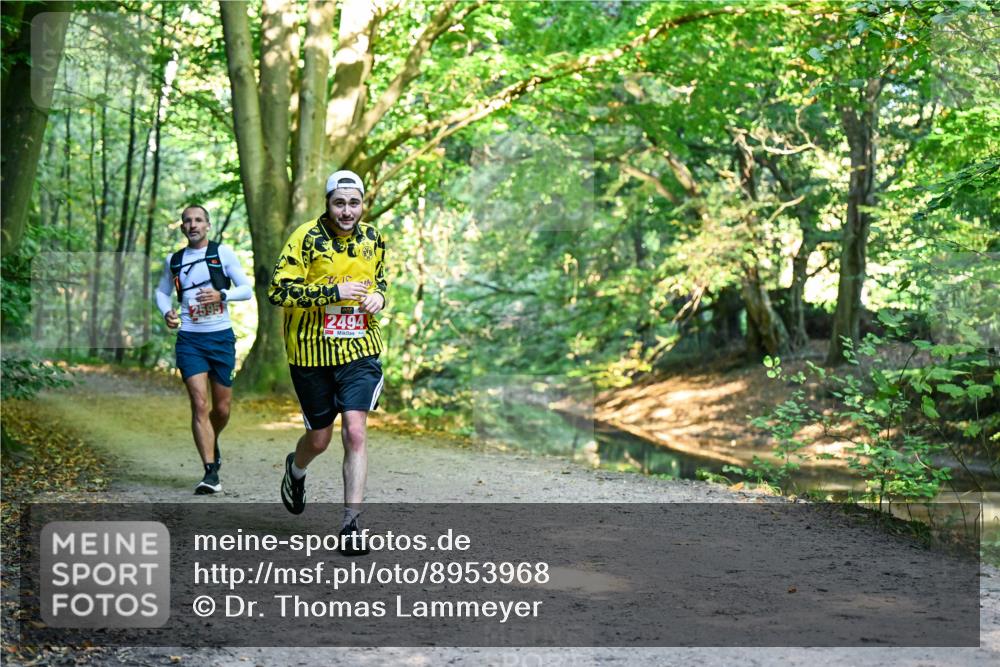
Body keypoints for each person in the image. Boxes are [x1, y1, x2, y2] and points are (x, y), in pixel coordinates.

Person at [268, 170, 387, 556]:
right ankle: (296, 469)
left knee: (355, 431)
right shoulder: (305, 238)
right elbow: (278, 291)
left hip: (359, 349)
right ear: (328, 204)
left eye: (354, 203)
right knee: (319, 439)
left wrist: (379, 298)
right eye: (339, 203)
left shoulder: (373, 239)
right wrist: (333, 292)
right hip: (310, 353)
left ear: (363, 204)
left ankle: (351, 524)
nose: (347, 211)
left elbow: (380, 281)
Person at [155, 205, 252, 494]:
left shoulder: (222, 253)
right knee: (199, 404)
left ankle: (212, 439)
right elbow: (161, 292)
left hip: (220, 338)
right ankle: (210, 473)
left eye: (198, 220)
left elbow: (246, 289)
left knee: (221, 408)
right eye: (187, 221)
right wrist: (166, 312)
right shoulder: (174, 260)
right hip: (190, 340)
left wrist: (222, 294)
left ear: (207, 225)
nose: (193, 225)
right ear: (182, 227)